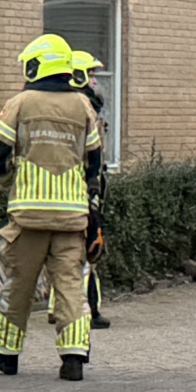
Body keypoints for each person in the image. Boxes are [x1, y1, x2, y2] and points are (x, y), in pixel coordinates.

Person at [0, 34, 101, 383]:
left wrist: (9, 180)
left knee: (18, 285)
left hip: (29, 217)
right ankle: (74, 354)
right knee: (70, 286)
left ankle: (5, 351)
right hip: (71, 218)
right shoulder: (83, 107)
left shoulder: (20, 103)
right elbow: (94, 162)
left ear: (36, 66)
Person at [73, 50, 113, 331]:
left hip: (85, 186)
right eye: (89, 74)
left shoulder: (87, 106)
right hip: (82, 191)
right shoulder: (82, 108)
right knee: (87, 249)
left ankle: (62, 307)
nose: (95, 81)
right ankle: (89, 309)